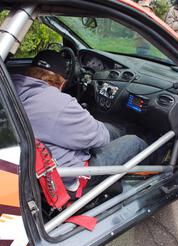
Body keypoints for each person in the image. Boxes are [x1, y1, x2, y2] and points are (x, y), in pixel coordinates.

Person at [11, 50, 147, 194]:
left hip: (31, 169)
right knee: (134, 142)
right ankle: (152, 171)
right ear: (62, 82)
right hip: (66, 180)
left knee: (111, 129)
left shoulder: (11, 87)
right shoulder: (60, 104)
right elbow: (100, 138)